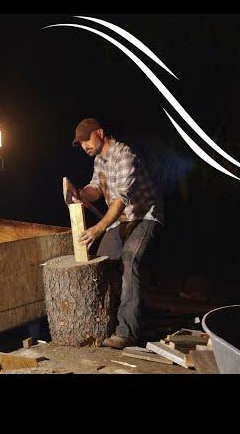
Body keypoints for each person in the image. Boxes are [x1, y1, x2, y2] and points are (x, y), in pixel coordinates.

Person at [72, 118, 163, 348]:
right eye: (81, 143)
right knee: (101, 263)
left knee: (130, 260)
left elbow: (122, 200)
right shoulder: (100, 160)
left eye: (86, 139)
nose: (84, 146)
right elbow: (96, 188)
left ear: (100, 133)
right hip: (120, 220)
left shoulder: (125, 155)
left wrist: (98, 228)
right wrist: (81, 193)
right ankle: (102, 325)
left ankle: (127, 332)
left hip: (143, 215)